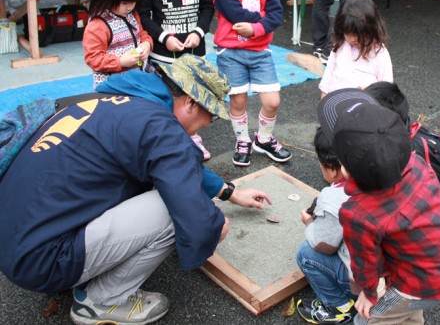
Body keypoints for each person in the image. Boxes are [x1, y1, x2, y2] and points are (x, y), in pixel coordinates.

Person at [0, 54, 272, 325]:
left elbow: (174, 166)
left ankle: (81, 265)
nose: (205, 125)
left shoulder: (114, 100)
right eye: (209, 117)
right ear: (190, 102)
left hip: (17, 240)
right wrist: (213, 225)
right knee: (173, 209)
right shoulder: (161, 128)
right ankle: (102, 301)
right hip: (40, 261)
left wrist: (229, 191)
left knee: (163, 187)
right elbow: (190, 208)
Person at [317, 88, 440, 324]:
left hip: (422, 283)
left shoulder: (357, 214)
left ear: (344, 169)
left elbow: (365, 265)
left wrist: (369, 294)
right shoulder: (417, 163)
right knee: (410, 311)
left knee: (373, 317)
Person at [213, 0, 291, 167]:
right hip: (232, 52)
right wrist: (263, 20)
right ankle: (242, 141)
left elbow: (276, 14)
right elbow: (234, 13)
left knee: (272, 101)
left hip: (259, 52)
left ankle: (263, 139)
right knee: (238, 101)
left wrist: (256, 28)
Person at [139, 0, 215, 160]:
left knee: (193, 99)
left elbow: (207, 8)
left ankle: (193, 138)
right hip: (164, 57)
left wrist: (198, 32)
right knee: (167, 101)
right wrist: (163, 37)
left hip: (194, 53)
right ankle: (168, 143)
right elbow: (144, 15)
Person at [296, 127, 356, 324]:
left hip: (366, 283)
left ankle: (338, 306)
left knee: (306, 253)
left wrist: (309, 222)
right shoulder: (379, 174)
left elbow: (324, 245)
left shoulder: (333, 198)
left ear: (332, 168)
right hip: (399, 280)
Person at [83, 0, 153, 88]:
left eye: (134, 2)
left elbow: (141, 33)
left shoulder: (132, 15)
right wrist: (120, 62)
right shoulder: (98, 26)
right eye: (125, 3)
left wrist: (147, 43)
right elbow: (93, 58)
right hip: (112, 87)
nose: (130, 7)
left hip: (135, 81)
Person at [319, 0, 393, 98]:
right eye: (348, 34)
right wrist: (324, 94)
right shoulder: (340, 46)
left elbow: (386, 87)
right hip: (337, 102)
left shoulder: (379, 53)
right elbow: (329, 72)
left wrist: (370, 92)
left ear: (370, 29)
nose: (353, 39)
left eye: (357, 34)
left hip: (365, 106)